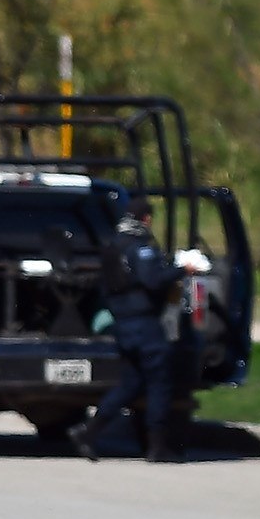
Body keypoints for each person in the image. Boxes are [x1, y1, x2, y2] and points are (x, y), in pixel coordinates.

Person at [75, 194, 183, 463]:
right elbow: (153, 280)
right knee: (160, 383)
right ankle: (156, 447)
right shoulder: (140, 247)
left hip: (123, 324)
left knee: (130, 384)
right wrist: (182, 270)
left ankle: (89, 432)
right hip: (144, 324)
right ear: (146, 219)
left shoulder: (114, 246)